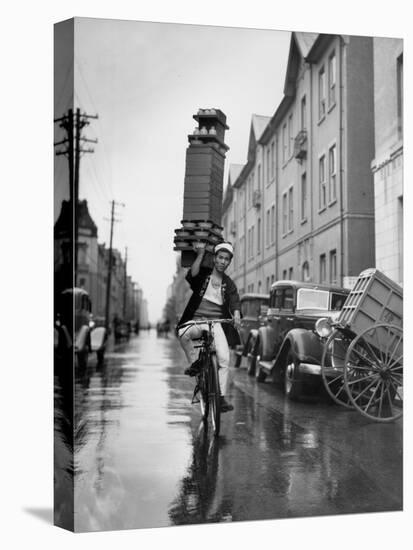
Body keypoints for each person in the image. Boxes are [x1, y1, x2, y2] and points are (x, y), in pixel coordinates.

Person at [177, 241, 241, 412]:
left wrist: (236, 314)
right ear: (215, 258)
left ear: (229, 262)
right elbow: (193, 275)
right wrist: (199, 254)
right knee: (183, 334)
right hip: (196, 321)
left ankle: (220, 398)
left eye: (226, 259)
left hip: (216, 323)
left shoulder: (229, 283)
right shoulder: (204, 275)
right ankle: (195, 363)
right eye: (220, 257)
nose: (223, 261)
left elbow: (235, 300)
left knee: (224, 359)